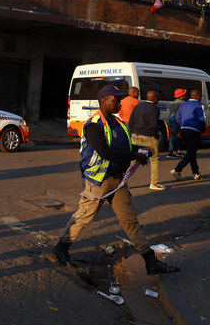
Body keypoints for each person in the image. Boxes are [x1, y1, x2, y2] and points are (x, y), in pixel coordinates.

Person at [52, 85, 180, 276]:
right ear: (104, 101)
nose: (120, 103)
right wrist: (135, 156)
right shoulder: (94, 125)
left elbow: (127, 144)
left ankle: (150, 261)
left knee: (130, 220)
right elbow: (105, 152)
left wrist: (141, 150)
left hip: (117, 181)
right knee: (84, 216)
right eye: (116, 100)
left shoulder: (118, 123)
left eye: (120, 100)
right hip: (97, 181)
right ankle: (61, 248)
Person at [129, 90, 164, 190]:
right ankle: (154, 183)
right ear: (155, 98)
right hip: (148, 137)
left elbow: (131, 121)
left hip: (135, 135)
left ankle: (123, 182)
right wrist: (156, 136)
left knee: (132, 159)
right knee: (154, 160)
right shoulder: (154, 109)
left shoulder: (138, 106)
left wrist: (133, 132)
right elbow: (153, 125)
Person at [170, 89, 206, 181]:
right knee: (191, 153)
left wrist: (182, 126)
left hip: (184, 129)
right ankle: (177, 169)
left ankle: (196, 173)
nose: (201, 98)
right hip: (194, 130)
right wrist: (202, 129)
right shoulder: (199, 105)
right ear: (197, 96)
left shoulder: (183, 104)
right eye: (201, 97)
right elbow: (202, 119)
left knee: (191, 152)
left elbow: (178, 117)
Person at [166, 88, 187, 158]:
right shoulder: (183, 103)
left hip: (170, 120)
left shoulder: (171, 103)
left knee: (177, 135)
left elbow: (169, 112)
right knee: (174, 136)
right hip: (177, 120)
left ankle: (179, 151)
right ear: (182, 95)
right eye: (184, 94)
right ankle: (170, 152)